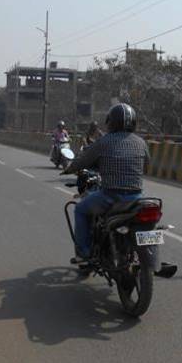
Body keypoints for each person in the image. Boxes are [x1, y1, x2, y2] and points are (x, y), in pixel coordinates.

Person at [63, 103, 150, 262]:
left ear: (111, 122)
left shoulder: (104, 141)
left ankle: (84, 253)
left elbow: (83, 161)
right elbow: (146, 166)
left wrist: (69, 169)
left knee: (80, 209)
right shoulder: (141, 143)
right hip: (136, 197)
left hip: (111, 196)